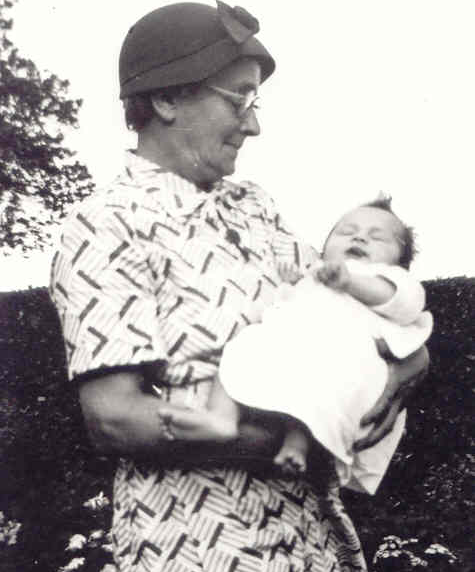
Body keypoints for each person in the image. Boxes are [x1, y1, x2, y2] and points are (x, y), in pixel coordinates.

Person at [50, 0, 429, 572]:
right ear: (165, 99)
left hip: (312, 532)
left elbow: (359, 314)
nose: (252, 125)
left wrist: (412, 362)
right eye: (238, 100)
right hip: (201, 541)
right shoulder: (105, 223)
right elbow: (115, 415)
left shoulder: (251, 209)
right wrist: (286, 440)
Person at [161, 198, 432, 496]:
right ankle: (220, 418)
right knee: (243, 347)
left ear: (401, 262)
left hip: (346, 358)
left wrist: (350, 281)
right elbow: (288, 304)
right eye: (346, 231)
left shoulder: (393, 280)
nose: (359, 237)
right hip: (296, 348)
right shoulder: (318, 274)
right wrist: (292, 283)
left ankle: (297, 442)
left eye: (377, 236)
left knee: (320, 382)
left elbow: (400, 302)